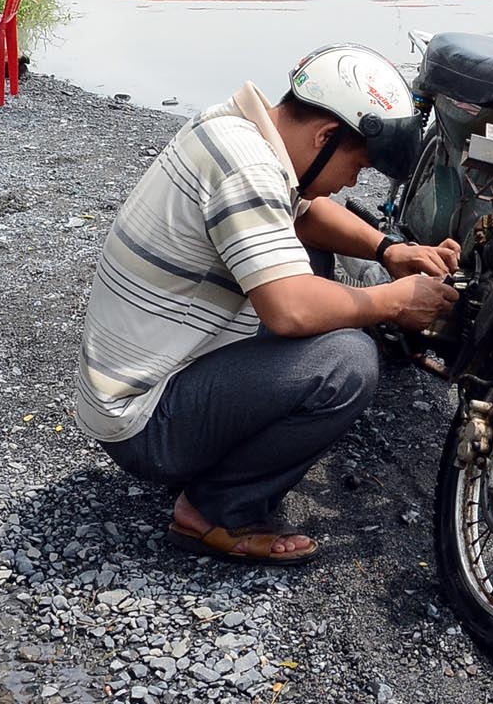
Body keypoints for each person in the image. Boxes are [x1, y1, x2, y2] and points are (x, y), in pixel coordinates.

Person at [76, 44, 461, 565]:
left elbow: (303, 216)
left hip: (144, 379)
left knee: (313, 261)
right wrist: (394, 302)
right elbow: (289, 311)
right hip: (143, 421)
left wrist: (389, 249)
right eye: (356, 165)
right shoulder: (247, 170)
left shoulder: (238, 129)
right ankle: (214, 512)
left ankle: (228, 449)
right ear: (326, 137)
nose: (352, 182)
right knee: (347, 362)